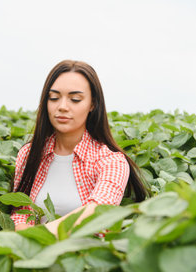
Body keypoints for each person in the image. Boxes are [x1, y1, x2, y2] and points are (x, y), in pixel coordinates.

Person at [10, 60, 148, 235]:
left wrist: (34, 238)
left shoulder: (111, 162)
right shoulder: (29, 154)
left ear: (93, 104)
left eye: (75, 99)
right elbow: (20, 214)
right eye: (54, 98)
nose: (62, 107)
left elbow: (97, 214)